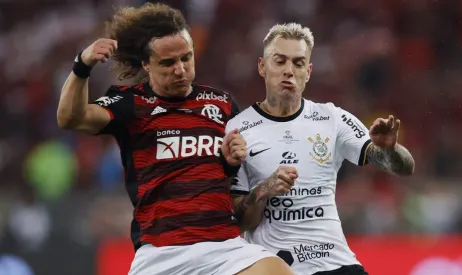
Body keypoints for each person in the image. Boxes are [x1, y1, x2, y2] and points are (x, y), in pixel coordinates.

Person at [56, 3, 293, 275]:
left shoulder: (223, 105)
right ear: (146, 64)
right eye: (168, 63)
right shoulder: (130, 103)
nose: (180, 69)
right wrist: (82, 66)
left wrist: (238, 172)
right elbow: (70, 118)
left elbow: (243, 215)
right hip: (161, 253)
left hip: (224, 248)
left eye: (186, 58)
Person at [226, 22, 415, 275]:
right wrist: (261, 192)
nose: (289, 71)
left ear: (309, 71)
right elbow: (237, 223)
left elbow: (403, 168)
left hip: (338, 264)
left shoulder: (331, 118)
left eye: (298, 63)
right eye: (280, 61)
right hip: (280, 268)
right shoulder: (237, 130)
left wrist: (391, 150)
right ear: (262, 66)